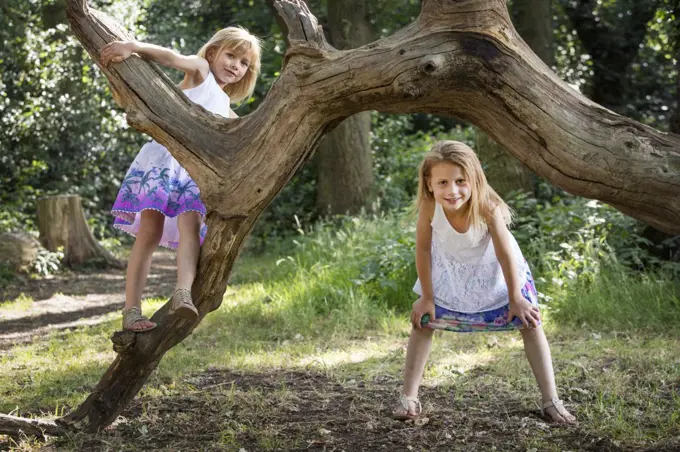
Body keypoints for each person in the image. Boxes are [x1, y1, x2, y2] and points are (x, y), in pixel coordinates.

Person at [393, 140, 576, 424]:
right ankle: (409, 397)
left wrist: (516, 296)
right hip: (451, 270)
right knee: (423, 321)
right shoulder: (429, 207)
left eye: (460, 181)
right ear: (429, 184)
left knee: (530, 321)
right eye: (442, 182)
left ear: (474, 180)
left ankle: (551, 400)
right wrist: (426, 296)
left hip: (496, 269)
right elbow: (423, 249)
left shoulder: (487, 206)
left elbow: (504, 252)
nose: (452, 190)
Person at [101, 27, 261, 332]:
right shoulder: (201, 72)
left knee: (191, 227)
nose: (235, 65)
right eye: (231, 55)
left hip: (194, 172)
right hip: (163, 162)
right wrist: (131, 46)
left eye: (243, 63)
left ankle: (182, 292)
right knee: (148, 233)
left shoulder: (226, 108)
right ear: (213, 53)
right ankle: (131, 310)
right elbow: (171, 57)